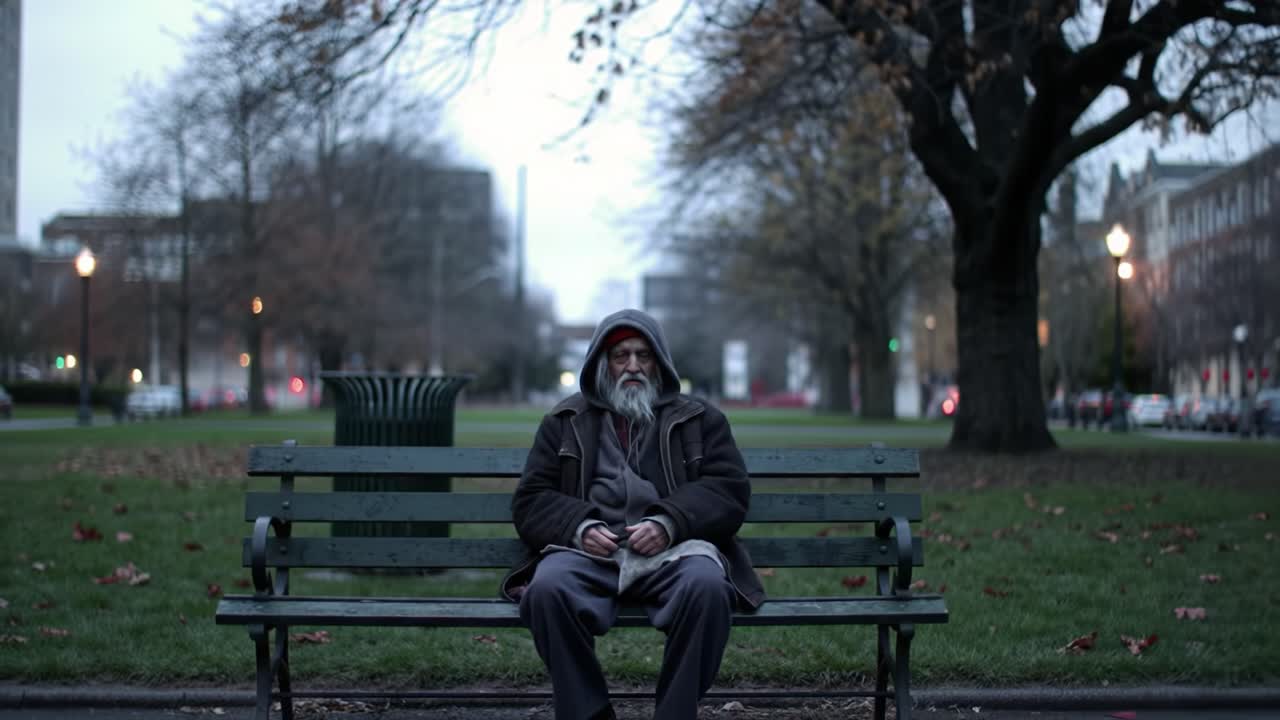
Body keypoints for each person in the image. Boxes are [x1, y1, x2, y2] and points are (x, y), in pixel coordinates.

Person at [500, 308, 765, 720]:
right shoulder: (564, 420)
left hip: (676, 551)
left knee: (708, 587)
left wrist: (668, 522)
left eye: (644, 355)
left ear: (660, 360)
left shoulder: (701, 420)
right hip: (591, 554)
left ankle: (674, 714)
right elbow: (531, 499)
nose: (634, 366)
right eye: (621, 355)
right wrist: (580, 526)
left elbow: (728, 490)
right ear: (602, 362)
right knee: (547, 589)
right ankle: (590, 713)